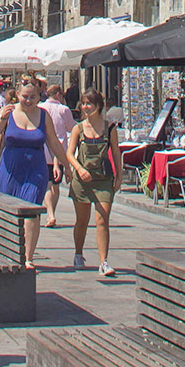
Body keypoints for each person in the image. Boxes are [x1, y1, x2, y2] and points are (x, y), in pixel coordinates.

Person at [0, 78, 64, 269]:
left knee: (31, 212)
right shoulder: (8, 111)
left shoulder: (44, 115)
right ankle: (7, 251)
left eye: (32, 97)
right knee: (7, 210)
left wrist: (67, 165)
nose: (28, 101)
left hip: (35, 171)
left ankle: (28, 258)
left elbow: (53, 142)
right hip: (10, 170)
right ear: (17, 96)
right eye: (24, 97)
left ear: (39, 97)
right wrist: (3, 118)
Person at [65, 90, 121, 276]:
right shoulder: (78, 129)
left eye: (89, 103)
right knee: (82, 221)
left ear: (98, 106)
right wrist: (79, 169)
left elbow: (115, 153)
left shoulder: (110, 129)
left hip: (103, 179)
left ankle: (103, 262)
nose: (85, 107)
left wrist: (119, 176)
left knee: (102, 219)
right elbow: (69, 153)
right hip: (82, 181)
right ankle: (78, 253)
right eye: (83, 103)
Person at [39, 83, 75, 229]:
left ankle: (50, 214)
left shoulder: (41, 108)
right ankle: (51, 213)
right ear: (59, 95)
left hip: (43, 150)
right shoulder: (63, 109)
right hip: (59, 152)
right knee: (55, 185)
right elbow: (71, 127)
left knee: (47, 185)